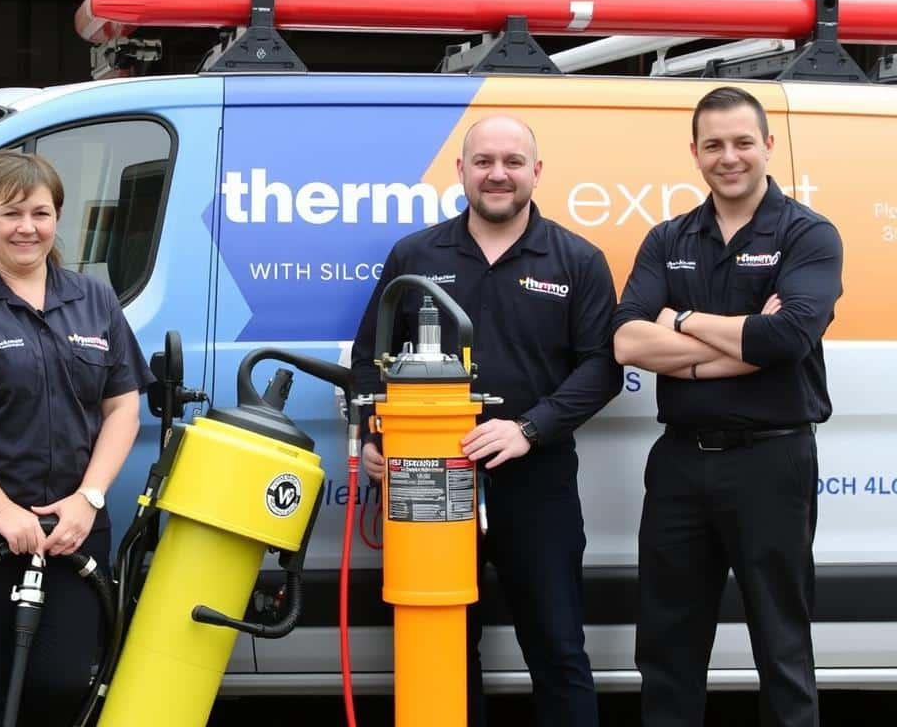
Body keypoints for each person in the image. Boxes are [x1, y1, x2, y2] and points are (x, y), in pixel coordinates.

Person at [352, 115, 621, 726]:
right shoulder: (416, 256)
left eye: (512, 161)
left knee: (557, 647)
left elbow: (603, 368)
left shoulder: (576, 259)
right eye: (483, 162)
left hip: (537, 481)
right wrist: (378, 435)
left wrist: (529, 429)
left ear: (536, 172)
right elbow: (370, 358)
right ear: (461, 171)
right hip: (430, 483)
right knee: (442, 646)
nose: (497, 173)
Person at [613, 86, 843, 727]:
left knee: (782, 643)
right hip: (681, 463)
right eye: (713, 144)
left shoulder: (808, 234)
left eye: (743, 142)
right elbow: (628, 339)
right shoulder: (668, 238)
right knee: (666, 643)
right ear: (694, 152)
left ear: (768, 146)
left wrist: (681, 319)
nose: (729, 156)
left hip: (771, 461)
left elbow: (788, 337)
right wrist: (741, 340)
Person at [0, 150, 152, 727]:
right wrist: (2, 511)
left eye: (40, 213)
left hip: (76, 531)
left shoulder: (95, 300)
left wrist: (88, 500)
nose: (27, 227)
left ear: (57, 218)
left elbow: (121, 409)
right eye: (11, 213)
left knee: (62, 683)